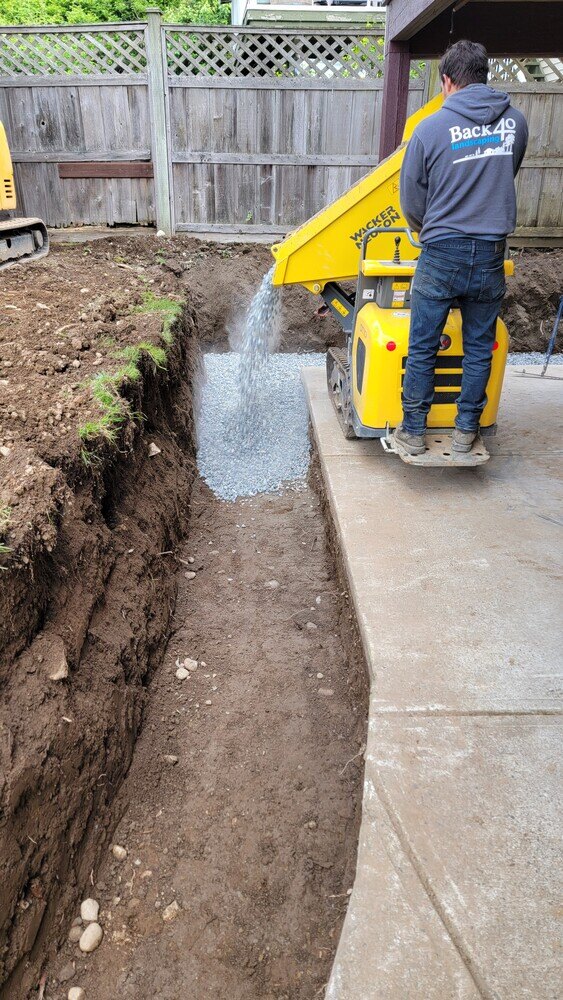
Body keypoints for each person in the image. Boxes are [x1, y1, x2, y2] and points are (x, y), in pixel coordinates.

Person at [396, 39, 528, 455]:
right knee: (478, 347)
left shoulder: (431, 128)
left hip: (442, 251)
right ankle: (465, 430)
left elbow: (411, 197)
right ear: (484, 77)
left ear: (448, 81)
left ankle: (413, 432)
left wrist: (427, 229)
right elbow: (509, 168)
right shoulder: (516, 123)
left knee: (422, 346)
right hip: (491, 252)